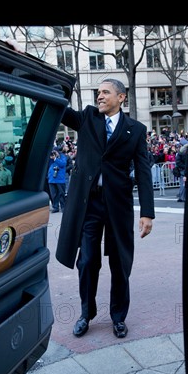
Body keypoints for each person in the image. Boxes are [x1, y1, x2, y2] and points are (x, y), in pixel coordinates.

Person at [55, 78, 155, 339]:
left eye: (105, 92)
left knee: (120, 264)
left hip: (118, 206)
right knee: (87, 261)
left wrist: (147, 212)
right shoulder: (87, 117)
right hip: (89, 205)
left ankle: (118, 317)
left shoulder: (136, 129)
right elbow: (59, 108)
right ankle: (85, 314)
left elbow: (144, 172)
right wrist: (31, 70)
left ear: (121, 97)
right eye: (98, 92)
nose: (99, 96)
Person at [47, 148, 67, 213]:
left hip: (60, 179)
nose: (54, 153)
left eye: (55, 152)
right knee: (54, 194)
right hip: (52, 179)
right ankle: (55, 207)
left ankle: (63, 207)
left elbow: (63, 164)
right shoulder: (50, 158)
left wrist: (56, 158)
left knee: (61, 194)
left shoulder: (62, 156)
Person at [175, 135, 188, 202]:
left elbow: (178, 161)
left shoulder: (181, 151)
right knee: (183, 184)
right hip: (185, 168)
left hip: (183, 169)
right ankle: (182, 197)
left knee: (183, 183)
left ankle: (182, 197)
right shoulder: (185, 151)